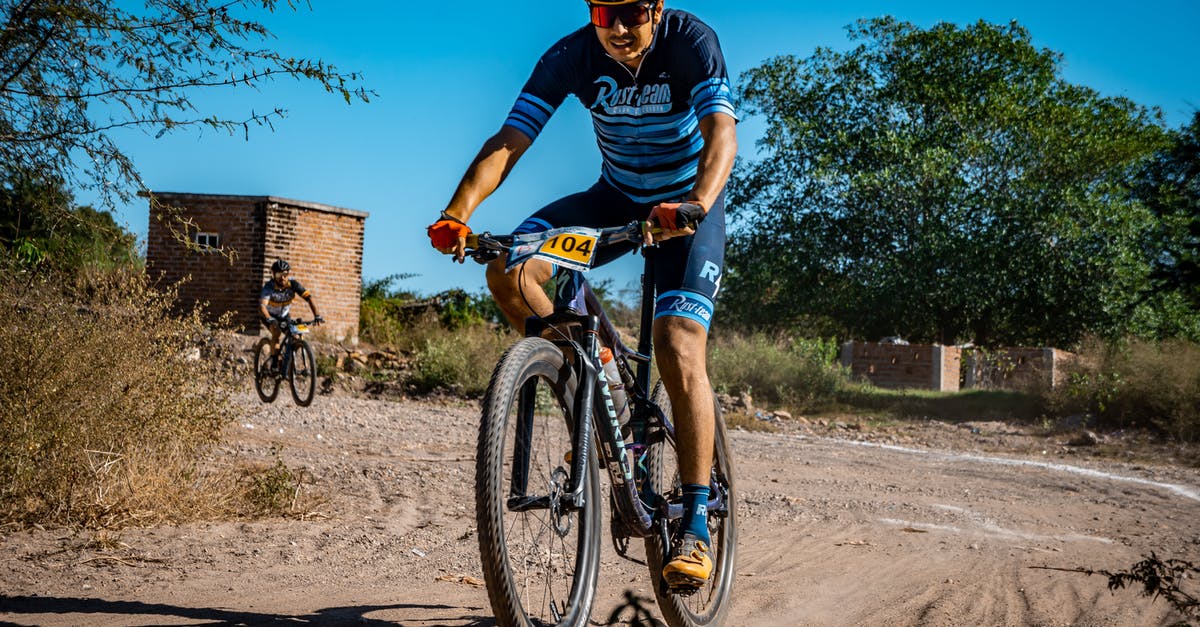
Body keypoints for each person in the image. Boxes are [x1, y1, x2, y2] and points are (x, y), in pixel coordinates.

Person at [426, 0, 736, 590]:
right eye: (603, 13)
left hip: (687, 206)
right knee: (510, 272)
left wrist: (694, 204)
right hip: (614, 199)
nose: (617, 28)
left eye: (631, 13)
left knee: (676, 344)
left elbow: (721, 132)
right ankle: (600, 390)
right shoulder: (572, 54)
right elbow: (510, 140)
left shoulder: (691, 41)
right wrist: (458, 212)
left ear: (658, 7)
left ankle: (695, 519)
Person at [259, 259, 323, 369]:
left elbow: (309, 298)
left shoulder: (293, 284)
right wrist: (269, 318)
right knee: (277, 331)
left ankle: (288, 360)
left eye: (285, 274)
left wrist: (317, 315)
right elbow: (262, 306)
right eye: (279, 274)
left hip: (284, 316)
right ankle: (274, 363)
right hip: (269, 316)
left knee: (296, 335)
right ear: (274, 274)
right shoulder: (269, 287)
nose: (282, 277)